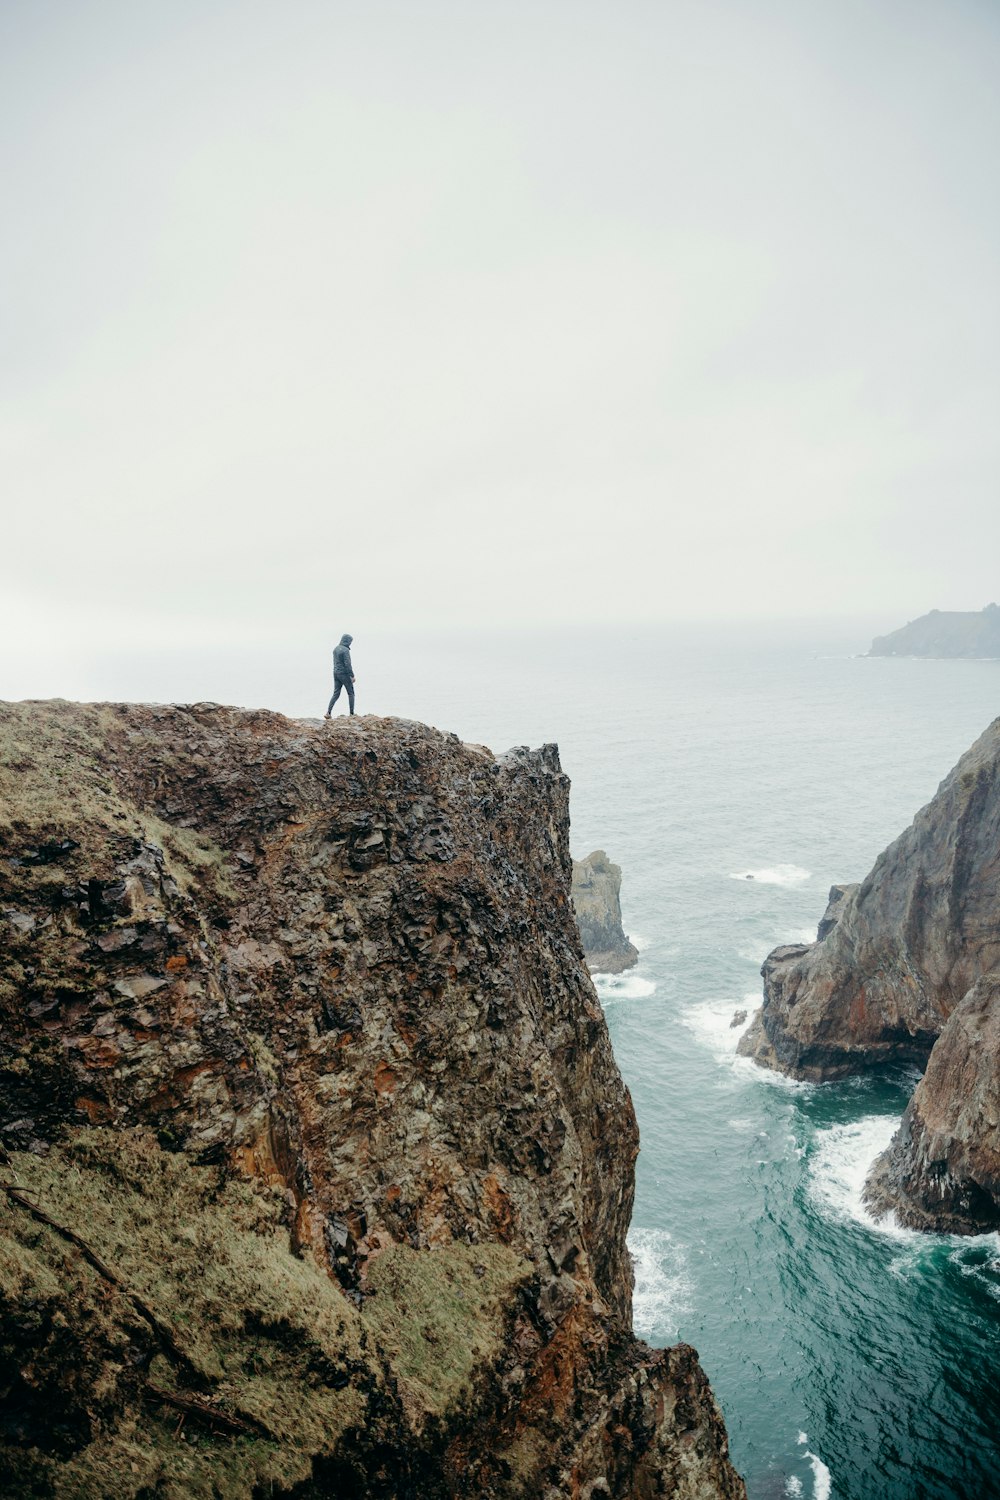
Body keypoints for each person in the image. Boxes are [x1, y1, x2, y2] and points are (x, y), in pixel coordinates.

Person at [324, 634, 356, 717]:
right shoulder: (345, 650)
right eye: (350, 641)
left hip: (336, 673)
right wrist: (352, 675)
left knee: (336, 693)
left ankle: (328, 712)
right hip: (344, 674)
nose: (350, 643)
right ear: (347, 641)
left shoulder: (335, 649)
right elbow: (348, 664)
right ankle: (352, 714)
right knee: (351, 693)